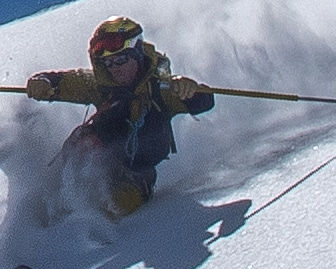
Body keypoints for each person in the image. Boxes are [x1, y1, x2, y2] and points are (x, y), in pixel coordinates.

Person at [25, 15, 218, 217]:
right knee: (84, 141)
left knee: (118, 205)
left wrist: (190, 91)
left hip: (136, 174)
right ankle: (50, 203)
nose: (115, 68)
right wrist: (43, 82)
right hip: (93, 162)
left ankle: (91, 226)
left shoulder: (161, 88)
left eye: (121, 60)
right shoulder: (102, 86)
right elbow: (65, 82)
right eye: (108, 63)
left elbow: (204, 102)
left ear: (137, 54)